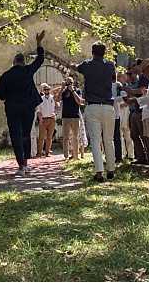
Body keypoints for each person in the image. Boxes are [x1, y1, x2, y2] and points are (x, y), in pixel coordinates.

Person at [0, 31, 46, 176]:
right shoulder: (27, 70)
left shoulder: (6, 75)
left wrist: (8, 97)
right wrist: (39, 44)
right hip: (28, 108)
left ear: (13, 62)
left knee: (16, 135)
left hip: (12, 108)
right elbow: (40, 60)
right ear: (23, 62)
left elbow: (0, 94)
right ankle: (25, 163)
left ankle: (21, 165)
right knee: (25, 134)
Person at [77, 42, 117, 182]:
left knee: (95, 140)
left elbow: (77, 67)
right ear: (104, 52)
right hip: (107, 105)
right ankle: (111, 169)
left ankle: (99, 171)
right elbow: (114, 79)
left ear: (92, 52)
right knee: (109, 139)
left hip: (93, 105)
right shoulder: (110, 65)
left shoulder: (87, 65)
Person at [57, 77, 84, 160]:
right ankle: (66, 156)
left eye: (70, 83)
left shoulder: (77, 90)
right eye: (67, 83)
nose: (69, 84)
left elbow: (79, 101)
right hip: (65, 117)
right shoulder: (64, 91)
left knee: (75, 137)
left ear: (73, 83)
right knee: (65, 137)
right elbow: (58, 99)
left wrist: (72, 91)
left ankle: (76, 156)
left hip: (75, 116)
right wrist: (62, 88)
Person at [36, 83, 58, 157]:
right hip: (43, 119)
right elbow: (38, 110)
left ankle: (47, 152)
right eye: (45, 89)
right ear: (43, 90)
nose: (46, 91)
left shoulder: (53, 98)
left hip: (52, 119)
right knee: (41, 137)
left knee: (49, 137)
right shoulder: (41, 99)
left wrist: (55, 113)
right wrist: (40, 119)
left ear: (49, 90)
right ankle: (39, 153)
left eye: (48, 89)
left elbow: (57, 106)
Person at [117, 72, 134, 161]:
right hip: (118, 111)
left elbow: (130, 99)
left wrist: (126, 103)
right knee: (119, 134)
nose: (122, 79)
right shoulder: (116, 87)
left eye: (123, 77)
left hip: (126, 111)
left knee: (127, 133)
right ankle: (122, 153)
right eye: (120, 77)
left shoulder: (128, 87)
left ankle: (131, 154)